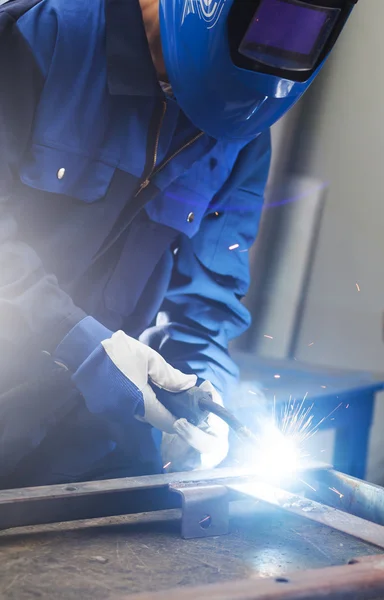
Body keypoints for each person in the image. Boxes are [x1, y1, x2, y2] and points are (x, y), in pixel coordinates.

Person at [0, 0, 358, 487]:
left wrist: (205, 401)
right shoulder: (40, 37)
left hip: (84, 449)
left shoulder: (241, 124)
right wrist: (77, 341)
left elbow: (208, 302)